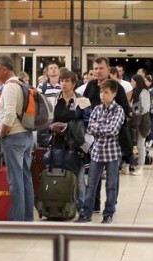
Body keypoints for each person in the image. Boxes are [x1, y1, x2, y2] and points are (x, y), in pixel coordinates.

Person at [0, 55, 35, 221]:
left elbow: (9, 115)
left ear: (4, 69)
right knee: (25, 178)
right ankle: (27, 217)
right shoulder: (22, 83)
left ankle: (17, 220)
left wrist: (1, 133)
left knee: (15, 182)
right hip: (27, 135)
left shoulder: (9, 87)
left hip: (14, 138)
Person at [76, 79, 125, 224]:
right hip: (96, 152)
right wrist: (102, 127)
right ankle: (86, 213)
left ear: (114, 94)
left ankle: (108, 213)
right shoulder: (97, 109)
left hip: (112, 153)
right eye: (101, 92)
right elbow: (90, 127)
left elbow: (114, 130)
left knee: (111, 185)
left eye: (106, 92)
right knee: (91, 184)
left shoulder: (119, 110)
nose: (102, 95)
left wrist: (100, 126)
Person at [49, 69, 90, 211]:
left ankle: (81, 206)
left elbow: (87, 121)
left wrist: (68, 127)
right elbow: (47, 120)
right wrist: (52, 126)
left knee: (78, 178)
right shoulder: (53, 99)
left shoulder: (82, 100)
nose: (63, 84)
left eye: (67, 81)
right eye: (62, 81)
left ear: (73, 84)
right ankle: (60, 204)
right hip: (57, 143)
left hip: (75, 144)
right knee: (57, 174)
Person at [128, 74, 151, 176]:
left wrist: (134, 111)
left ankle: (140, 166)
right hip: (134, 121)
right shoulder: (134, 93)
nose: (131, 83)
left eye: (133, 81)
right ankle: (131, 164)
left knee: (140, 144)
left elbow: (145, 108)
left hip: (142, 122)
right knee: (135, 144)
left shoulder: (144, 92)